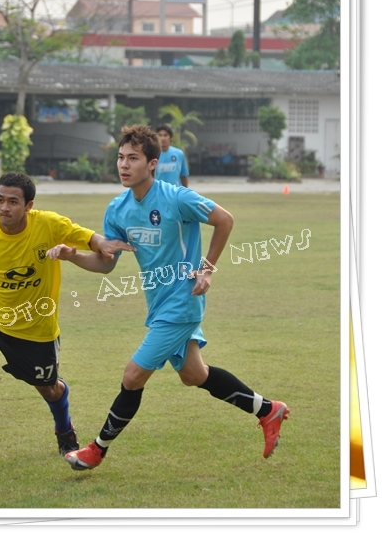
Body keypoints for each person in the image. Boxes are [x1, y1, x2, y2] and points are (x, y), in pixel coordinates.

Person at [47, 125, 290, 471]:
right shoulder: (117, 209)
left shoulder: (176, 198)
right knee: (194, 374)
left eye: (133, 158)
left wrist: (206, 269)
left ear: (153, 164)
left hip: (182, 302)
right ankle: (269, 410)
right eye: (120, 157)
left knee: (132, 377)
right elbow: (106, 264)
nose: (124, 165)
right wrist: (73, 255)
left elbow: (225, 220)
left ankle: (96, 450)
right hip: (158, 303)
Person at [0, 171, 131, 457]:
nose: (5, 207)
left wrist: (102, 244)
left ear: (29, 205)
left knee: (50, 389)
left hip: (35, 328)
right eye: (0, 199)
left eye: (13, 202)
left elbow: (90, 239)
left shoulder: (49, 224)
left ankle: (64, 427)